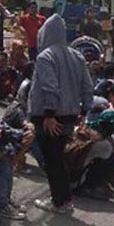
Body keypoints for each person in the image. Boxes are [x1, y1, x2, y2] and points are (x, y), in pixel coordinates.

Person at [28, 14, 94, 213]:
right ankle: (64, 199)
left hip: (50, 116)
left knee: (52, 160)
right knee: (58, 157)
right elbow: (87, 87)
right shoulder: (77, 56)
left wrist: (49, 115)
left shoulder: (45, 56)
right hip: (71, 114)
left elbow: (50, 86)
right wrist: (84, 110)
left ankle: (60, 202)